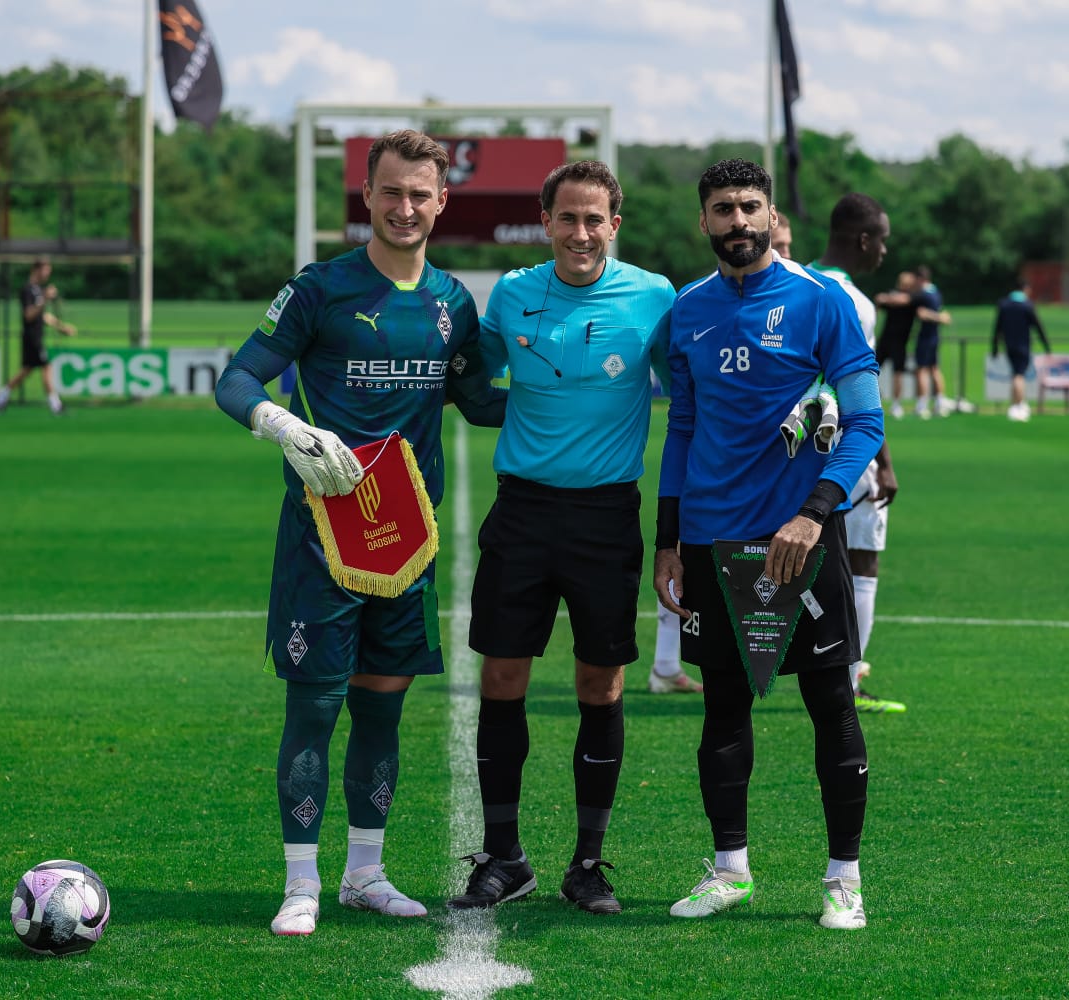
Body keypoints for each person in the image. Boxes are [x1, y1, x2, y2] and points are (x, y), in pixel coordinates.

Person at [214, 129, 505, 936]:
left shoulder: (453, 303)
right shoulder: (319, 290)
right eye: (390, 192)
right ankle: (301, 882)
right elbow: (236, 378)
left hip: (406, 546)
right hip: (322, 540)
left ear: (441, 202)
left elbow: (483, 401)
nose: (405, 207)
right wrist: (278, 423)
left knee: (382, 713)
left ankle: (365, 873)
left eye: (420, 194)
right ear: (366, 197)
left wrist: (598, 388)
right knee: (313, 710)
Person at [653, 158, 884, 930]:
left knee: (830, 706)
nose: (738, 221)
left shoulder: (823, 304)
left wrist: (816, 510)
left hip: (803, 543)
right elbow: (681, 428)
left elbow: (865, 424)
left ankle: (843, 881)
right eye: (723, 209)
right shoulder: (687, 310)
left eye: (750, 206)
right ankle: (729, 871)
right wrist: (669, 539)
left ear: (770, 212)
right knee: (722, 708)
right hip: (716, 543)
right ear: (705, 222)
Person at [448, 161, 676, 916]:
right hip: (522, 514)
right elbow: (470, 380)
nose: (581, 233)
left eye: (595, 219)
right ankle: (505, 858)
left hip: (606, 518)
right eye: (567, 218)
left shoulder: (653, 296)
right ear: (545, 222)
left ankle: (587, 863)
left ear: (616, 225)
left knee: (599, 685)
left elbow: (698, 387)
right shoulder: (512, 294)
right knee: (503, 679)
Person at [810, 197, 905, 714]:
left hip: (798, 449)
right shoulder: (855, 301)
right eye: (882, 239)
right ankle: (847, 682)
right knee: (863, 560)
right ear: (863, 240)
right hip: (847, 451)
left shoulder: (797, 281)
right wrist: (884, 462)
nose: (885, 250)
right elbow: (859, 394)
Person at [0, 257, 78, 414]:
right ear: (36, 270)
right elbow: (29, 315)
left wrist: (61, 327)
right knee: (46, 367)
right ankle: (55, 405)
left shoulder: (38, 290)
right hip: (31, 337)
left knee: (27, 370)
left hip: (37, 336)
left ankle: (1, 396)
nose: (47, 274)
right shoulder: (28, 290)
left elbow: (43, 316)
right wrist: (45, 298)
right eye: (46, 270)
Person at [992, 279, 1051, 422]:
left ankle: (1014, 405)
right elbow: (1038, 326)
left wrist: (994, 346)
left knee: (1015, 374)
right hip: (1023, 345)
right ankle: (1019, 405)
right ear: (1025, 289)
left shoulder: (1004, 305)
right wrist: (1046, 346)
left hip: (1009, 345)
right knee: (1019, 375)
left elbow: (997, 328)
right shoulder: (1027, 305)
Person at [874, 272, 919, 418]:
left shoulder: (914, 297)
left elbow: (902, 300)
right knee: (872, 370)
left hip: (900, 342)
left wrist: (888, 299)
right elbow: (880, 299)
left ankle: (896, 404)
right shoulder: (893, 295)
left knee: (897, 373)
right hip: (886, 339)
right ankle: (872, 399)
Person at [911, 266, 954, 418]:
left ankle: (922, 404)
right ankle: (939, 402)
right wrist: (941, 317)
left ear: (920, 279)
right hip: (935, 336)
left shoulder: (922, 294)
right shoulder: (936, 292)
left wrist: (938, 317)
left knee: (922, 370)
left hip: (925, 336)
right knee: (935, 368)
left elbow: (922, 313)